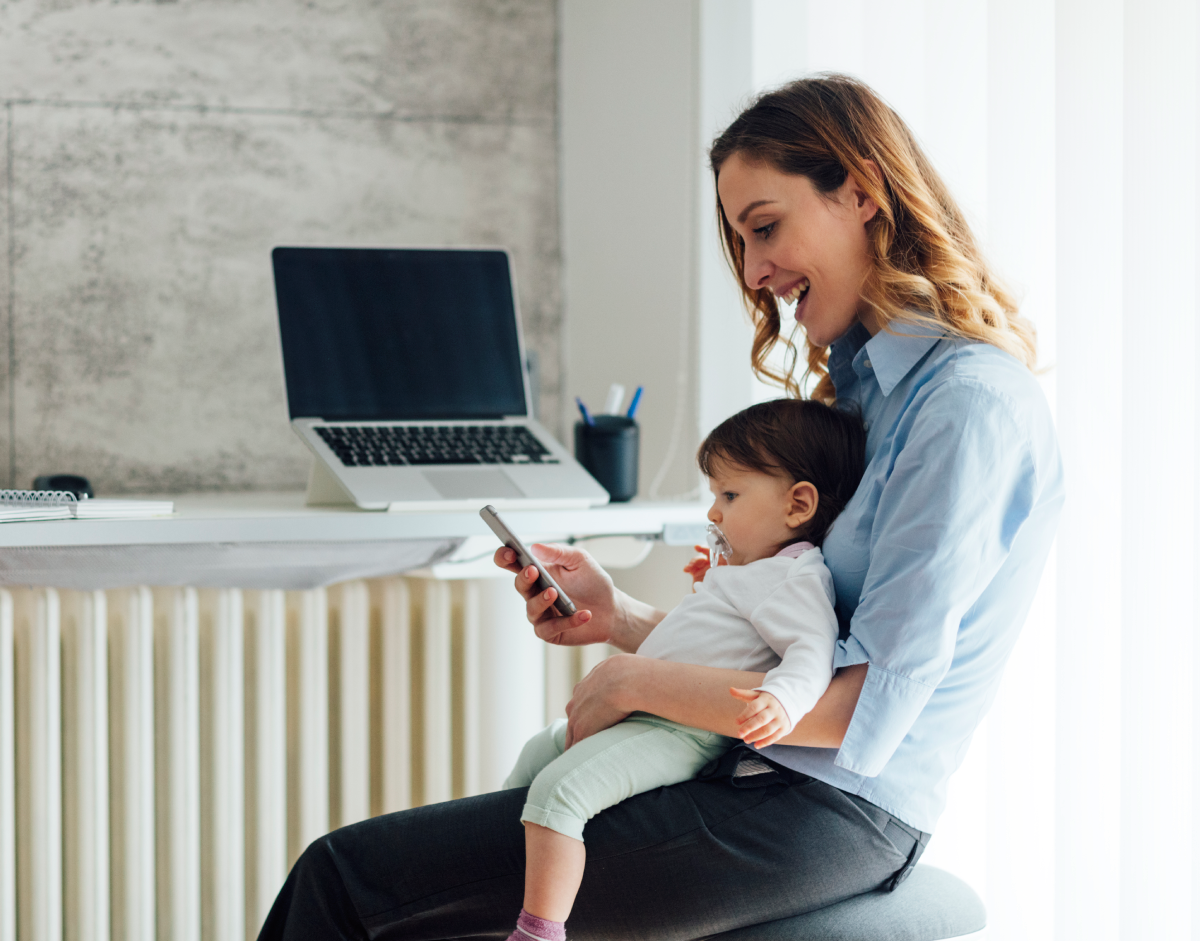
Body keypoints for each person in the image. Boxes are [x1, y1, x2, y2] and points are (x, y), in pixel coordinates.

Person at [258, 74, 1063, 940]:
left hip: (819, 812)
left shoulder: (965, 407)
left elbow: (853, 709)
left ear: (860, 192)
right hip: (758, 775)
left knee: (343, 881)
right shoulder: (869, 393)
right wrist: (625, 620)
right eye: (742, 240)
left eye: (765, 227)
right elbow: (791, 641)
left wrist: (636, 681)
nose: (754, 271)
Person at [500, 399, 865, 941]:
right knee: (538, 750)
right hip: (649, 717)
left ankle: (538, 930)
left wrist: (782, 701)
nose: (715, 513)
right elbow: (711, 640)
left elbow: (811, 654)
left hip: (680, 732)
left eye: (730, 496)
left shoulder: (796, 578)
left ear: (798, 505)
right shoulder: (755, 571)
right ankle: (500, 860)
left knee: (561, 791)